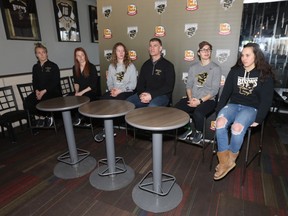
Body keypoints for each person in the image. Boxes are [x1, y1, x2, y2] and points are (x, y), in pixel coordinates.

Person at [213, 43, 274, 180]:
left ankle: (230, 160)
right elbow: (225, 93)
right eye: (242, 55)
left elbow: (266, 100)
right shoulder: (235, 71)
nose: (244, 58)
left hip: (251, 108)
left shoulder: (264, 75)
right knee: (220, 122)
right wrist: (218, 111)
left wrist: (259, 118)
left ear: (256, 57)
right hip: (234, 105)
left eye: (248, 55)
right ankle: (225, 162)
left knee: (237, 128)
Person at [175, 41, 221, 144]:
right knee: (177, 109)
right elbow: (188, 85)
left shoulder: (215, 68)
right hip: (193, 98)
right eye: (203, 50)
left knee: (198, 113)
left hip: (208, 99)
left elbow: (214, 90)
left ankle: (199, 132)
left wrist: (200, 101)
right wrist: (191, 99)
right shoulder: (193, 67)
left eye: (208, 49)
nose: (206, 52)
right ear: (198, 52)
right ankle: (188, 129)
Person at [94, 42, 138, 142]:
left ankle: (110, 128)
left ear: (125, 52)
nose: (121, 53)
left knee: (118, 100)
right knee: (103, 99)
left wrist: (120, 90)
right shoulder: (111, 66)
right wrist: (112, 89)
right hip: (114, 91)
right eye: (118, 50)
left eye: (123, 50)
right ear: (115, 53)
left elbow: (133, 85)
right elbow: (109, 82)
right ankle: (107, 129)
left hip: (127, 91)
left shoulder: (130, 66)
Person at [126, 38, 175, 108]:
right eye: (150, 46)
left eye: (155, 46)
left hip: (162, 95)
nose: (152, 48)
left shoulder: (168, 65)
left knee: (152, 106)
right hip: (145, 94)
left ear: (160, 48)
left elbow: (168, 87)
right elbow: (140, 84)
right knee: (127, 103)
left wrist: (151, 95)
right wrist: (142, 95)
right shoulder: (145, 65)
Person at [24, 43, 61, 127]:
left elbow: (55, 82)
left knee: (43, 100)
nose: (42, 54)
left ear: (47, 53)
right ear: (36, 55)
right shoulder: (35, 67)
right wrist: (36, 91)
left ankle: (49, 115)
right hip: (39, 91)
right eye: (39, 53)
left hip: (53, 91)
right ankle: (43, 116)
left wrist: (44, 91)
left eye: (43, 52)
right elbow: (34, 81)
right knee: (27, 102)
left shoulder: (53, 66)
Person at [72, 47, 100, 126]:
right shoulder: (75, 68)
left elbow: (93, 85)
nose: (80, 57)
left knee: (85, 97)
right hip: (80, 91)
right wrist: (77, 91)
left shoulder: (92, 67)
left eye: (82, 55)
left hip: (91, 91)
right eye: (78, 55)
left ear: (85, 56)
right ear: (76, 57)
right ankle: (78, 117)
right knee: (70, 97)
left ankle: (83, 118)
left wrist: (81, 93)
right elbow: (76, 82)